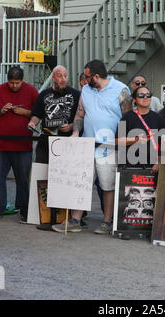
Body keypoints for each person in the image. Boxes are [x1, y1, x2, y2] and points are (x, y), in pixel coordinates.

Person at [52, 59, 132, 234]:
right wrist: (75, 132)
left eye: (87, 77)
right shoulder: (86, 89)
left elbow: (128, 117)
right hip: (86, 144)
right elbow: (80, 113)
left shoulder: (121, 89)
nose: (85, 79)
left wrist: (122, 143)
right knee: (81, 182)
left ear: (96, 76)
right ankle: (75, 220)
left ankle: (107, 222)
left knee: (107, 186)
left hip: (109, 146)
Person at [0, 66, 38, 222]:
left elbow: (40, 112)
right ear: (8, 80)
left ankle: (24, 210)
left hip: (23, 144)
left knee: (22, 179)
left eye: (17, 82)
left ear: (23, 80)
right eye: (12, 82)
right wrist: (0, 111)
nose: (14, 86)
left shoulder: (31, 91)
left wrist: (25, 112)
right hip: (1, 144)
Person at [28, 65, 80, 164]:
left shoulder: (76, 95)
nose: (63, 79)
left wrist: (71, 126)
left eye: (65, 76)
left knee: (63, 175)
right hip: (45, 143)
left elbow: (81, 117)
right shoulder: (44, 94)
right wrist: (32, 123)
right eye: (60, 76)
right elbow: (37, 115)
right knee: (41, 176)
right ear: (53, 77)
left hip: (68, 144)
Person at [116, 85, 165, 172]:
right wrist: (135, 139)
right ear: (134, 99)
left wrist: (160, 162)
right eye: (141, 95)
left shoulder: (158, 118)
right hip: (130, 166)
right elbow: (117, 141)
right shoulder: (127, 117)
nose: (145, 97)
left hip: (153, 166)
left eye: (148, 95)